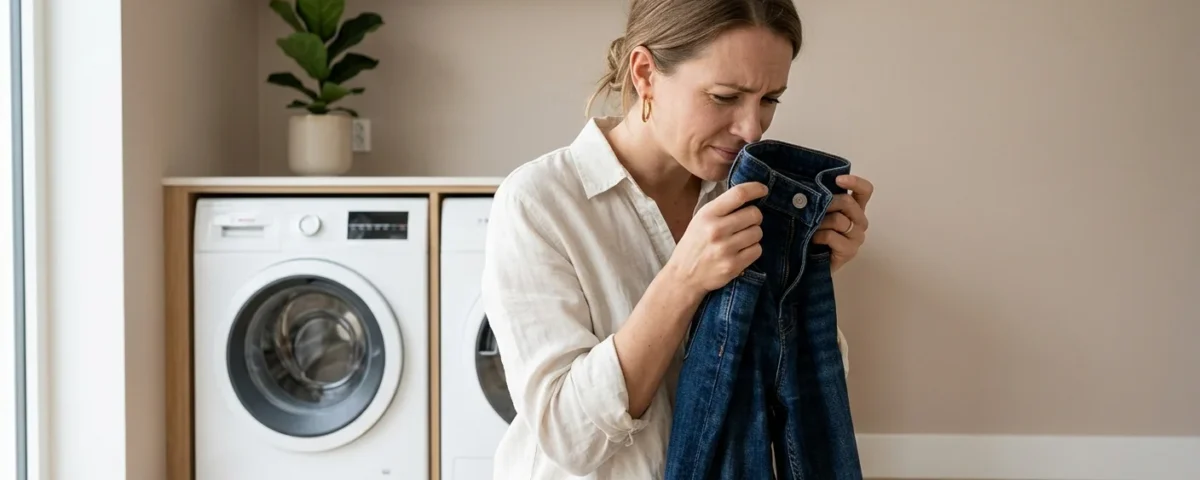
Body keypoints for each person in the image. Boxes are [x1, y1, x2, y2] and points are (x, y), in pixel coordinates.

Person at [480, 0, 875, 478]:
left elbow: (787, 397)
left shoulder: (753, 200)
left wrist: (807, 280)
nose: (752, 129)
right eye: (725, 96)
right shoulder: (540, 202)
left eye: (770, 99)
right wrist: (683, 281)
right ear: (645, 73)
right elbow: (569, 438)